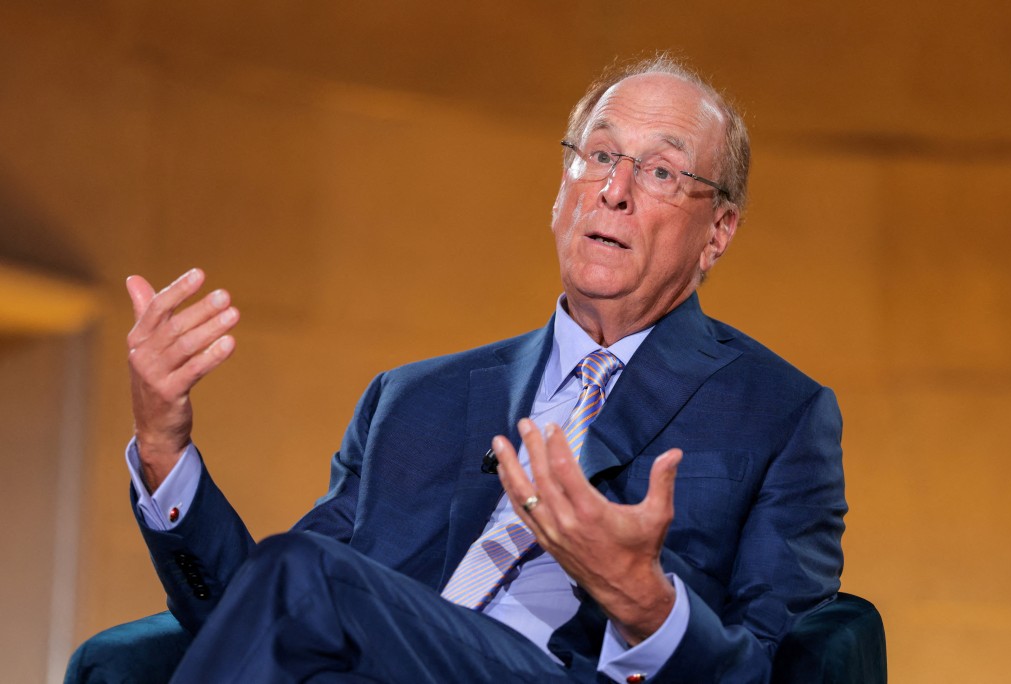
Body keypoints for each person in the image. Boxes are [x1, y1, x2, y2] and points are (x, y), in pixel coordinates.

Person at [123, 56, 846, 683]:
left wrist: (645, 602)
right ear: (560, 194)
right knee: (293, 578)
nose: (614, 189)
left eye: (660, 170)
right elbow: (258, 610)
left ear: (717, 231)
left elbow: (768, 664)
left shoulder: (780, 414)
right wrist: (162, 446)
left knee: (303, 571)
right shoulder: (411, 399)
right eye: (598, 155)